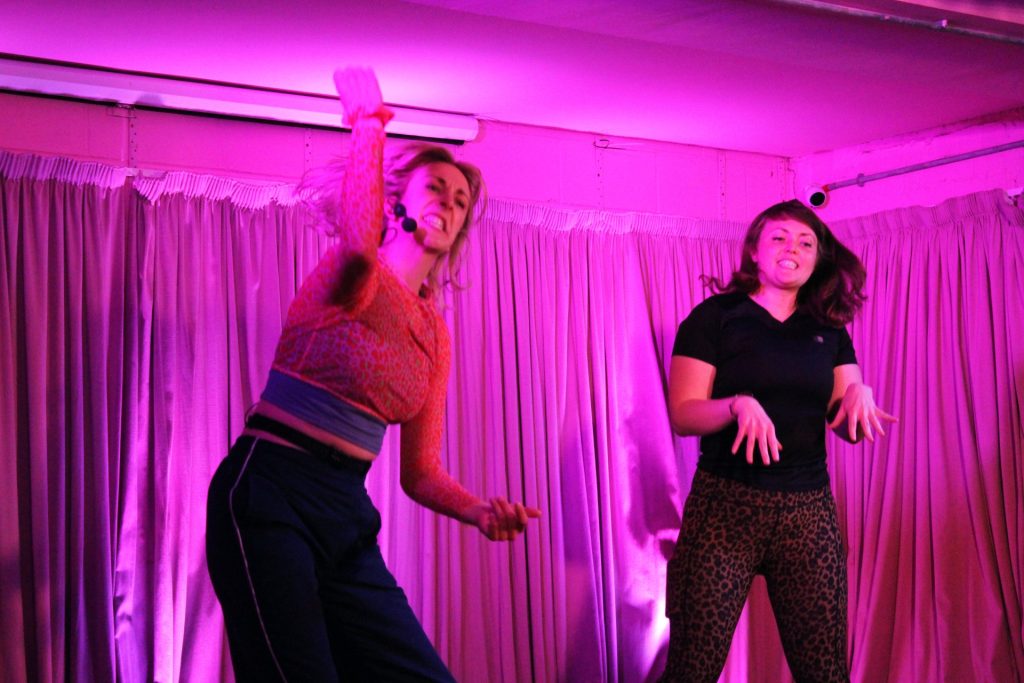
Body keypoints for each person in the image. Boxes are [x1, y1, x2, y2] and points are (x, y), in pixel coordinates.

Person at [205, 67, 541, 683]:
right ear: (396, 203)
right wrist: (367, 124)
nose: (450, 201)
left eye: (461, 200)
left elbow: (420, 472)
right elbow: (361, 247)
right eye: (436, 187)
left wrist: (477, 511)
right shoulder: (351, 275)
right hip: (270, 489)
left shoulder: (434, 333)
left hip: (345, 509)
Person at [660, 199, 896, 682]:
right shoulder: (714, 318)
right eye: (780, 237)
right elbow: (683, 415)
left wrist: (859, 396)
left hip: (807, 512)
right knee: (692, 670)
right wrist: (735, 404)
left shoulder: (828, 331)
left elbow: (845, 423)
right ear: (754, 251)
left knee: (825, 672)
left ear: (818, 257)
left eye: (806, 242)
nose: (793, 248)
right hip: (725, 509)